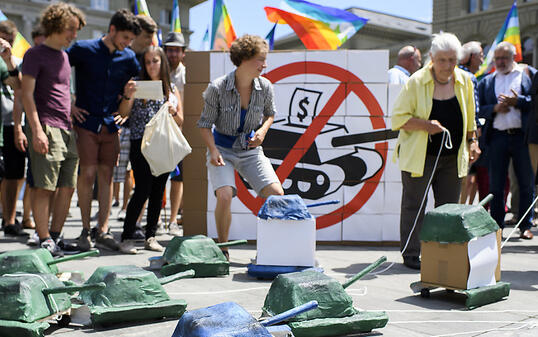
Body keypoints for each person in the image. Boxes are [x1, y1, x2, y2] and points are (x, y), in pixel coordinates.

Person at [391, 32, 479, 270]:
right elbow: (397, 119)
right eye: (442, 60)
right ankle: (411, 254)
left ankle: (445, 253)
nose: (448, 66)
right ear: (432, 58)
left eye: (452, 60)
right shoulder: (417, 81)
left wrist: (473, 141)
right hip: (421, 156)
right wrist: (426, 126)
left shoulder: (465, 80)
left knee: (449, 209)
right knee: (414, 205)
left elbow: (470, 116)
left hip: (453, 158)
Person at [198, 34, 284, 260]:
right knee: (225, 195)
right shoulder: (216, 87)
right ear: (244, 59)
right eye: (260, 59)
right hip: (222, 149)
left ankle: (271, 250)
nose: (265, 65)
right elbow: (204, 125)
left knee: (277, 194)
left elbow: (270, 115)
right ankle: (223, 249)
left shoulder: (265, 86)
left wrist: (263, 131)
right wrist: (213, 151)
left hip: (250, 150)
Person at [67, 9, 141, 251]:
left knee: (107, 178)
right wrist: (69, 101)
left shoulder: (129, 58)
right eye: (125, 37)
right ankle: (85, 231)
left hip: (111, 126)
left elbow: (133, 92)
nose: (127, 43)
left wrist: (128, 101)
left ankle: (103, 230)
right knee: (87, 174)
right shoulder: (82, 49)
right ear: (112, 30)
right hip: (86, 123)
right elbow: (59, 71)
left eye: (130, 40)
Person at [21, 2, 86, 256]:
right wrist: (36, 130)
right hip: (45, 126)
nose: (74, 35)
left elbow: (62, 93)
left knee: (68, 186)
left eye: (76, 30)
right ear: (56, 25)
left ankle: (56, 237)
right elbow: (27, 95)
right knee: (44, 187)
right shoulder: (35, 54)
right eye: (71, 29)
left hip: (67, 129)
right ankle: (44, 238)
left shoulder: (64, 56)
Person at [118, 46, 183, 254]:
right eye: (147, 61)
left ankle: (151, 236)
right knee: (143, 189)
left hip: (163, 143)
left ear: (162, 62)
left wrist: (174, 112)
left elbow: (181, 120)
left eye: (155, 61)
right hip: (141, 143)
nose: (151, 65)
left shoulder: (171, 89)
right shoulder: (136, 85)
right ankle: (127, 236)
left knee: (158, 190)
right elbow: (123, 114)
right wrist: (128, 96)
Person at [478, 41, 534, 240]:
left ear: (514, 57)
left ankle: (526, 225)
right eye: (497, 58)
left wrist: (517, 102)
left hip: (522, 137)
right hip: (497, 138)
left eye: (504, 58)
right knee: (496, 185)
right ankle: (497, 227)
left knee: (526, 183)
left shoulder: (527, 75)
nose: (501, 62)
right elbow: (478, 108)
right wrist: (494, 109)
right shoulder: (486, 81)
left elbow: (535, 101)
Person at [0, 20, 28, 236]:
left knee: (13, 174)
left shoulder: (11, 60)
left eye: (10, 41)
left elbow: (18, 85)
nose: (6, 44)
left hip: (10, 122)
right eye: (3, 40)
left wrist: (9, 60)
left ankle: (9, 220)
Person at [164, 31, 187, 236]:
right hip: (159, 133)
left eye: (176, 50)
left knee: (178, 178)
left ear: (183, 53)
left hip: (180, 131)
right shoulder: (157, 70)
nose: (172, 54)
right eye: (169, 50)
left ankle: (172, 221)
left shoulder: (187, 75)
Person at [458, 41, 484, 205]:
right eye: (481, 55)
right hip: (465, 136)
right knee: (464, 177)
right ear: (471, 57)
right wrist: (474, 136)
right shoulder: (469, 77)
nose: (483, 60)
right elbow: (472, 110)